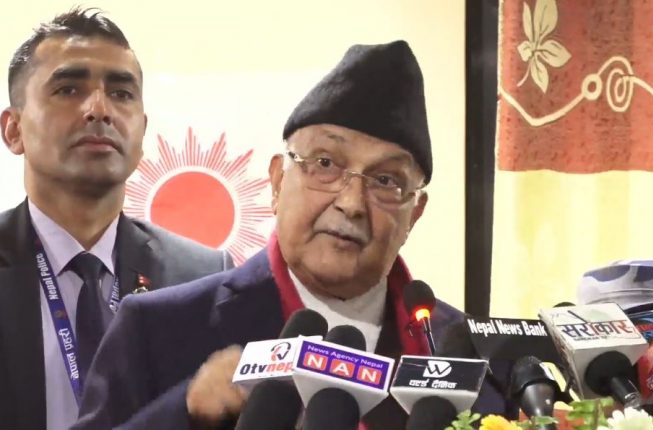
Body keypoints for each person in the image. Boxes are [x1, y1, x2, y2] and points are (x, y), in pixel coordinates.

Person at [74, 40, 513, 430]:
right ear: (278, 181)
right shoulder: (159, 327)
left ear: (414, 214)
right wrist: (184, 411)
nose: (352, 203)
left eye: (386, 181)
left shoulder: (474, 355)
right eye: (325, 164)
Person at [0, 8, 233, 430]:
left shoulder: (203, 277)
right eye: (69, 89)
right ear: (13, 130)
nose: (99, 109)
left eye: (121, 94)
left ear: (141, 131)